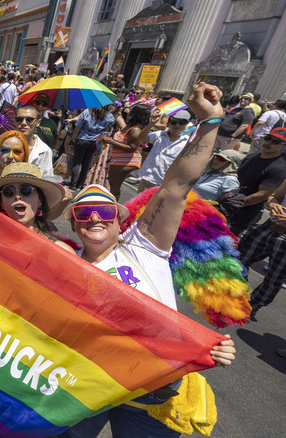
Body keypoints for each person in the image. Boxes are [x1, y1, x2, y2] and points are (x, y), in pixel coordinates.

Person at [60, 82, 236, 438]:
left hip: (154, 392)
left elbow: (175, 186)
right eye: (85, 212)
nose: (95, 218)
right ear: (74, 223)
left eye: (104, 211)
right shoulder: (65, 262)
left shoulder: (144, 244)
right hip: (90, 384)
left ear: (118, 218)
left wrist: (211, 121)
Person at [0, 162, 74, 252]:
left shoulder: (61, 251)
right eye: (8, 191)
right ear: (1, 203)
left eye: (25, 190)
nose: (17, 196)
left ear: (40, 201)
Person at [238, 178, 286, 321]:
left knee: (274, 278)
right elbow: (274, 197)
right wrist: (274, 205)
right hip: (269, 227)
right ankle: (238, 295)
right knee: (239, 259)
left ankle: (251, 307)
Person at [228, 128, 286, 234]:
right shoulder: (252, 156)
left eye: (275, 142)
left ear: (284, 146)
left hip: (244, 212)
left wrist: (236, 204)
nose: (268, 143)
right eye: (267, 138)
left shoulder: (280, 168)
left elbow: (263, 195)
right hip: (228, 203)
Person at [136, 109, 192, 192]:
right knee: (139, 205)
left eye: (181, 122)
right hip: (146, 179)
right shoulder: (159, 134)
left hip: (164, 186)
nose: (177, 125)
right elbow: (141, 138)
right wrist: (151, 123)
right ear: (168, 123)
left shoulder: (187, 143)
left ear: (186, 125)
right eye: (173, 122)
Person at [102, 103, 150, 199]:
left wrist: (112, 142)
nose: (128, 111)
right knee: (110, 185)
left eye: (131, 110)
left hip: (124, 162)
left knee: (114, 186)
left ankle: (113, 208)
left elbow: (133, 148)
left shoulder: (135, 130)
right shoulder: (129, 126)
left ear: (136, 114)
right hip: (118, 161)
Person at [68, 106, 116, 189]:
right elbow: (106, 131)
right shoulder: (109, 116)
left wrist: (72, 140)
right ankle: (80, 184)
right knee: (86, 162)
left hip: (81, 139)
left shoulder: (86, 113)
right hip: (95, 141)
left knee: (77, 162)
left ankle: (73, 184)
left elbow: (77, 129)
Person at [193, 149, 245, 219]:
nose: (215, 161)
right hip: (188, 207)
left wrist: (213, 213)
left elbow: (231, 203)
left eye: (222, 159)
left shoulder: (230, 179)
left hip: (202, 215)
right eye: (216, 157)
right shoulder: (208, 172)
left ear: (231, 164)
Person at [16, 105, 55, 179]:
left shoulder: (45, 151)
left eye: (29, 119)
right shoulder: (4, 144)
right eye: (19, 119)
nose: (23, 123)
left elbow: (47, 179)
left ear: (38, 122)